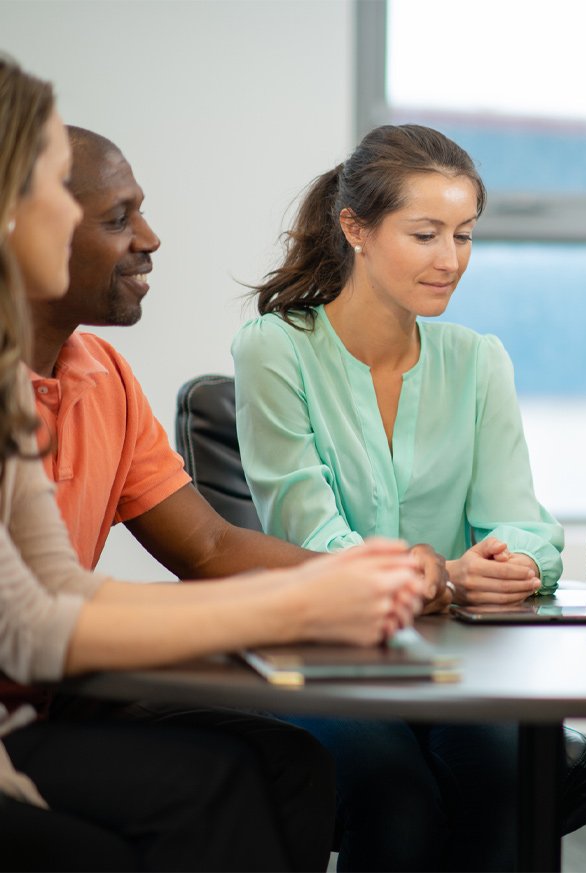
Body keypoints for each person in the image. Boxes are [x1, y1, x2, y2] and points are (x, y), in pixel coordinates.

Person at [0, 55, 432, 871]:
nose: (151, 239)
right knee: (203, 794)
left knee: (292, 765)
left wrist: (366, 580)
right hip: (24, 709)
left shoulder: (94, 373)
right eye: (116, 215)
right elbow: (34, 620)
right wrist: (296, 602)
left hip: (48, 702)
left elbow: (200, 548)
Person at [232, 123, 580, 871]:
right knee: (394, 795)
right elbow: (312, 540)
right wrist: (443, 574)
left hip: (455, 664)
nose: (449, 259)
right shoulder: (275, 347)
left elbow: (524, 525)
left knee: (509, 775)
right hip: (321, 657)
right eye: (425, 234)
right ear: (354, 227)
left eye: (463, 234)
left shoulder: (477, 360)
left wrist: (507, 562)